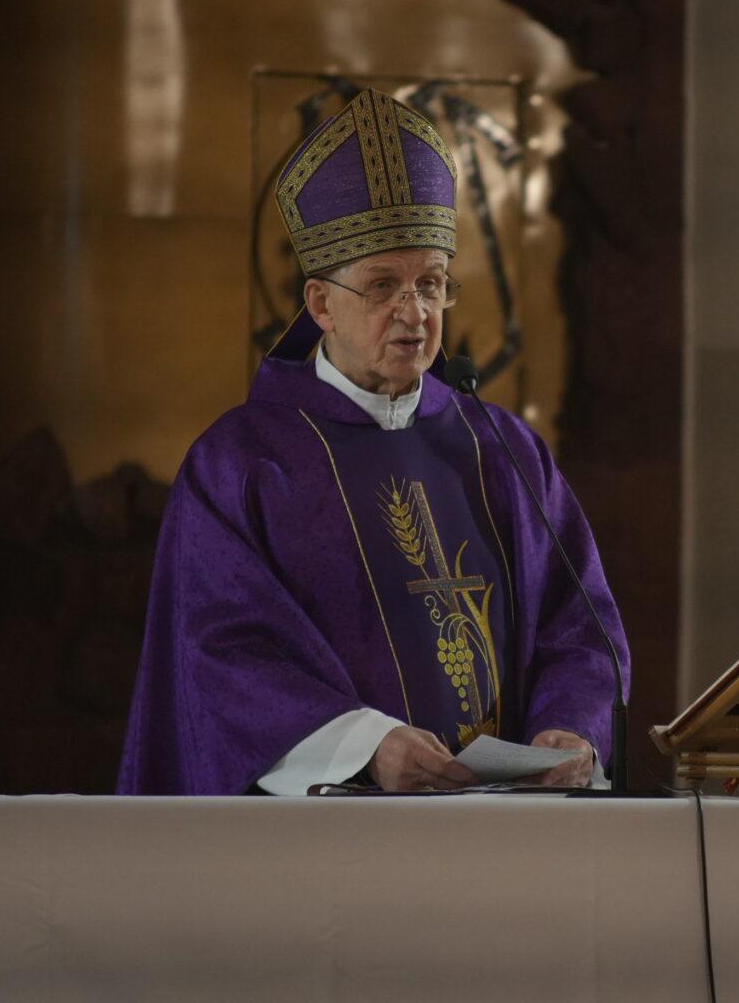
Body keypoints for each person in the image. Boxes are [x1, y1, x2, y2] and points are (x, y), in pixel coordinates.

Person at [118, 88, 629, 794]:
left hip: (506, 831)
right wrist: (363, 746)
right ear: (320, 304)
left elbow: (580, 625)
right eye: (383, 285)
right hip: (326, 835)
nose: (414, 312)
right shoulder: (241, 464)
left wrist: (571, 729)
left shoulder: (504, 451)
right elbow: (220, 654)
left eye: (432, 284)